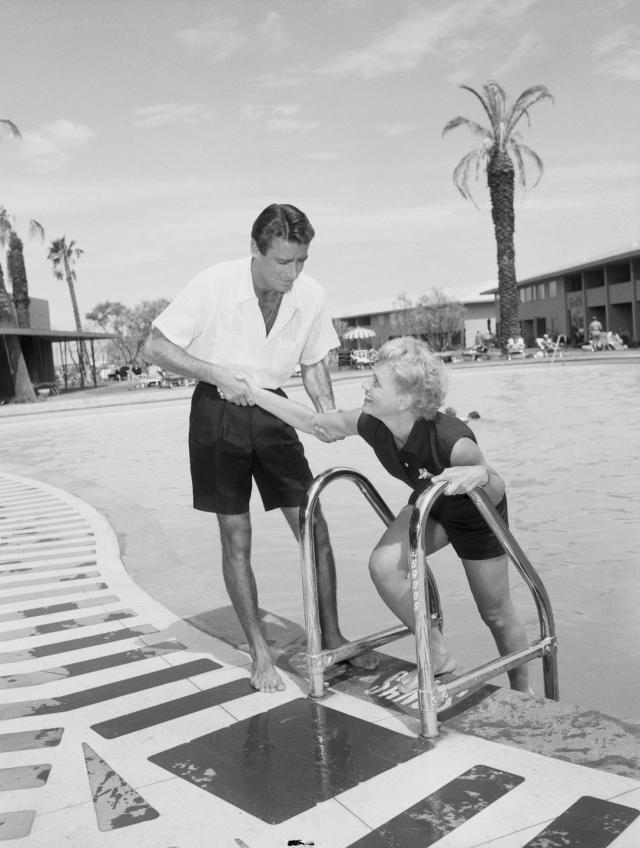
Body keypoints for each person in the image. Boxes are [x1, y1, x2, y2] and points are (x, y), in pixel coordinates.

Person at [144, 203, 375, 693]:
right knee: (237, 537)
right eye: (282, 262)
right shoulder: (214, 283)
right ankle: (259, 652)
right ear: (255, 249)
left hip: (276, 411)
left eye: (301, 261)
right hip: (216, 411)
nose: (292, 274)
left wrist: (326, 411)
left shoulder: (310, 295)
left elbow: (313, 362)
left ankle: (331, 635)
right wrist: (214, 373)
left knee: (313, 524)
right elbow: (155, 346)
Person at [239, 337, 531, 694]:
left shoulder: (453, 442)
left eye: (375, 382)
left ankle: (523, 690)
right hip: (431, 504)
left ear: (405, 400)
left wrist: (482, 475)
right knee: (383, 565)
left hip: (476, 513)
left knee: (496, 614)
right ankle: (436, 654)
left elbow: (496, 486)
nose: (365, 384)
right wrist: (255, 393)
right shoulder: (372, 423)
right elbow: (315, 422)